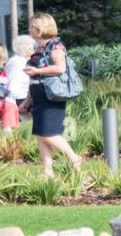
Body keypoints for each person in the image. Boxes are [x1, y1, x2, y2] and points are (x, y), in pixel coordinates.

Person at [22, 14, 83, 176]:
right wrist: (28, 100)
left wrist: (38, 70)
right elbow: (33, 77)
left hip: (51, 96)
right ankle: (47, 171)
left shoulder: (55, 46)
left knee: (48, 134)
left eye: (32, 27)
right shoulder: (38, 48)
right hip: (39, 96)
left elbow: (60, 68)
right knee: (41, 135)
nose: (29, 29)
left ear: (40, 29)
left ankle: (74, 158)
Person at [4, 35, 35, 114]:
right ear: (27, 50)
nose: (34, 51)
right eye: (33, 48)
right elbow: (13, 88)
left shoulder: (15, 60)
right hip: (18, 98)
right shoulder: (20, 63)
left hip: (17, 96)